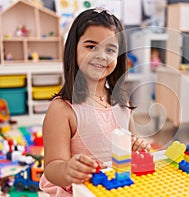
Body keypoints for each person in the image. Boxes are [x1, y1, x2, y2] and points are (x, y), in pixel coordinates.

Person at [40, 7, 151, 196]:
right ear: (73, 49)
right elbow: (52, 168)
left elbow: (132, 142)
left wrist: (139, 146)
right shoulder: (62, 109)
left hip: (118, 188)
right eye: (91, 46)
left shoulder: (122, 102)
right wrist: (67, 169)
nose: (101, 55)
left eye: (110, 49)